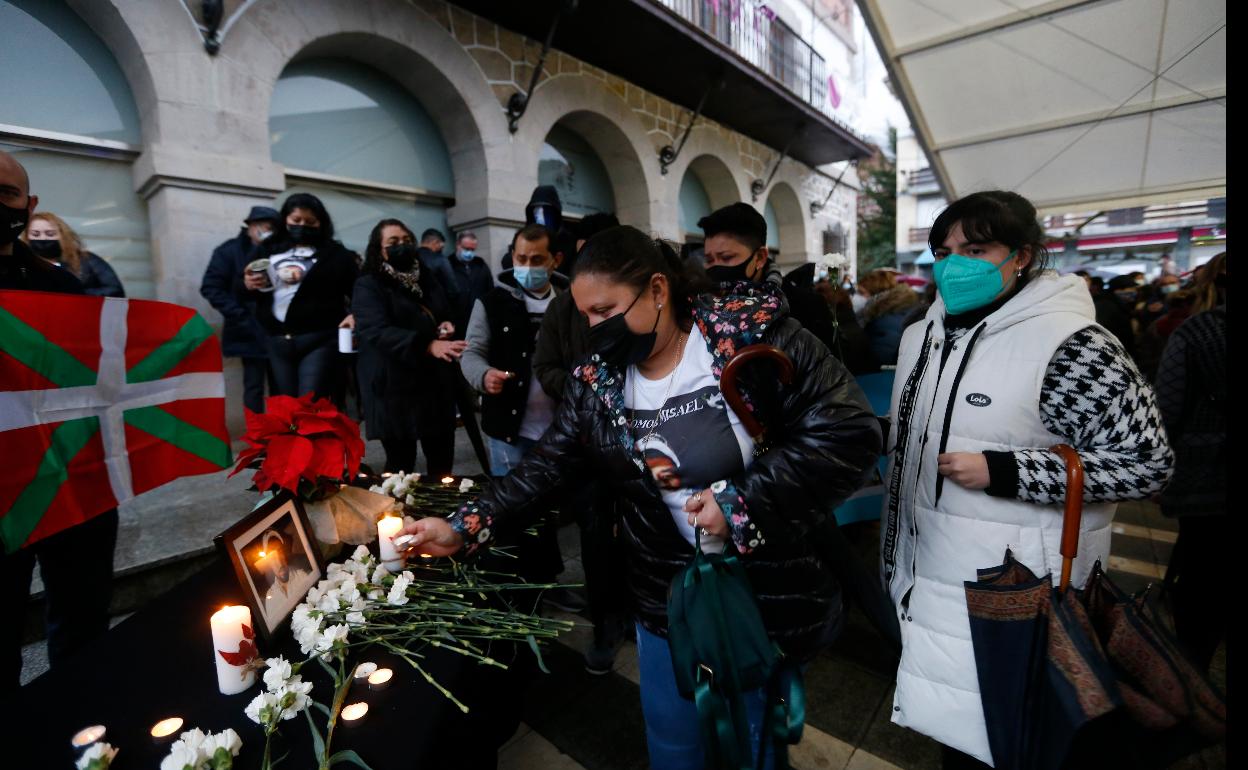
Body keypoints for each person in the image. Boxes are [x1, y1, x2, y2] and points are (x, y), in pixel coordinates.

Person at [403, 225, 882, 768]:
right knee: (675, 744)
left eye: (605, 310)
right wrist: (466, 522)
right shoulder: (598, 381)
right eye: (585, 316)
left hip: (761, 586)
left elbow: (848, 432)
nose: (594, 329)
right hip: (665, 592)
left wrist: (740, 503)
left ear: (658, 290)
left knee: (755, 741)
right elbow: (548, 466)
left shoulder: (753, 338)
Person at [881, 190, 1174, 768]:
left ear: (1024, 256)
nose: (954, 264)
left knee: (1016, 743)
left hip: (1020, 594)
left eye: (977, 248)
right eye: (942, 251)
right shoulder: (922, 335)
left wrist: (1009, 471)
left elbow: (1147, 462)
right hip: (926, 577)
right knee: (958, 738)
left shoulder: (1074, 345)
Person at [0, 150, 117, 694]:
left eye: (6, 194)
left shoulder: (61, 285)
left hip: (68, 479)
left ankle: (80, 724)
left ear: (29, 205)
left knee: (82, 621)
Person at [459, 224, 584, 613]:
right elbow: (472, 352)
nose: (527, 266)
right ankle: (521, 588)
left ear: (555, 261)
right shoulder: (492, 302)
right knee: (513, 509)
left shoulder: (572, 301)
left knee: (549, 510)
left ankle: (549, 581)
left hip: (561, 429)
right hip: (509, 430)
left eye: (536, 260)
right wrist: (484, 376)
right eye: (520, 259)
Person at [532, 212, 627, 673]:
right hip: (588, 442)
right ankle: (606, 622)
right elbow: (545, 366)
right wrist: (585, 388)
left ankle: (649, 613)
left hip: (645, 439)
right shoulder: (563, 307)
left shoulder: (638, 299)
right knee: (595, 536)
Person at [1155, 252, 1225, 672]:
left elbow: (1167, 405)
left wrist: (1158, 468)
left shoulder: (1197, 331)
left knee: (1203, 573)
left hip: (1207, 471)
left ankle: (1191, 673)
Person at [352, 219, 464, 476]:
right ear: (379, 249)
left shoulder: (426, 276)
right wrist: (427, 344)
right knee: (401, 469)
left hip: (433, 386)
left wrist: (446, 323)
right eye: (393, 243)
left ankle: (442, 512)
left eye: (406, 241)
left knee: (442, 464)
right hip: (393, 388)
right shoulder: (368, 284)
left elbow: (444, 308)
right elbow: (376, 331)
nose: (401, 246)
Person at [240, 193, 358, 400]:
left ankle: (306, 433)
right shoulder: (267, 249)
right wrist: (247, 284)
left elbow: (359, 290)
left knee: (308, 404)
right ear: (285, 219)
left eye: (310, 222)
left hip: (319, 339)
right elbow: (239, 287)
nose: (302, 225)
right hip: (276, 340)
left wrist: (355, 314)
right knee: (286, 407)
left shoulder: (337, 254)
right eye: (296, 220)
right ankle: (293, 433)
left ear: (321, 223)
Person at [697, 202, 844, 360]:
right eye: (709, 260)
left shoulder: (806, 306)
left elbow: (829, 373)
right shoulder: (702, 308)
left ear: (760, 257)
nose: (716, 268)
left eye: (726, 258)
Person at [201, 205, 279, 414]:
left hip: (278, 328)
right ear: (251, 226)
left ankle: (285, 436)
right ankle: (258, 438)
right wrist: (240, 314)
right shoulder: (228, 251)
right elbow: (211, 287)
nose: (267, 231)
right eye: (264, 226)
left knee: (282, 386)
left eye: (272, 227)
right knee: (253, 387)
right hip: (248, 330)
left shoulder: (279, 250)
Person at [23, 211, 125, 297]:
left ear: (62, 235)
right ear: (27, 237)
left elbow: (115, 290)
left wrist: (76, 294)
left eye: (50, 234)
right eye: (35, 234)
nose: (43, 238)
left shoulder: (87, 259)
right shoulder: (22, 264)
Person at [858, 268, 922, 368]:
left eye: (862, 293)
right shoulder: (899, 308)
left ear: (875, 293)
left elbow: (881, 360)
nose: (857, 297)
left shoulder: (882, 320)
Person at [447, 231, 494, 335]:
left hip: (479, 321)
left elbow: (490, 290)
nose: (469, 253)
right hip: (456, 323)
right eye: (466, 249)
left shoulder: (480, 264)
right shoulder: (448, 264)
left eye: (472, 250)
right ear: (458, 245)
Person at [416, 227, 460, 312]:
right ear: (435, 242)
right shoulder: (440, 260)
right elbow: (453, 290)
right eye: (441, 247)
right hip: (438, 311)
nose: (441, 250)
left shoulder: (410, 258)